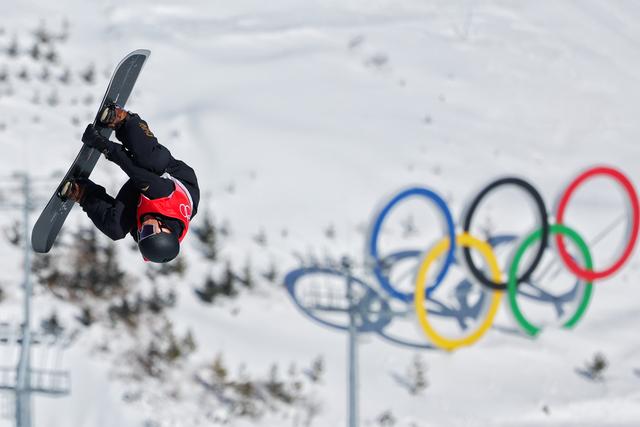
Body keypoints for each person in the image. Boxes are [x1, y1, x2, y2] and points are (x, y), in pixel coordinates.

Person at [60, 104, 200, 263]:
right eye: (148, 229)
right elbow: (132, 169)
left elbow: (133, 225)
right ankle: (123, 120)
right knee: (150, 160)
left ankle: (82, 192)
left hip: (143, 199)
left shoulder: (146, 237)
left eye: (142, 233)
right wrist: (102, 144)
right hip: (169, 175)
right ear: (165, 228)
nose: (143, 227)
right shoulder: (164, 197)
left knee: (116, 229)